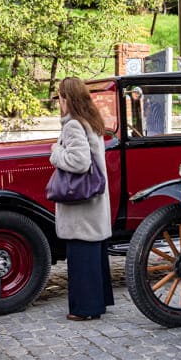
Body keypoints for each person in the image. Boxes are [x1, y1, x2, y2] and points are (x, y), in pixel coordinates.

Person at [51, 77, 114, 321]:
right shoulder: (90, 121)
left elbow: (79, 162)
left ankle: (84, 308)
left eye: (60, 97)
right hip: (94, 202)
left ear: (67, 98)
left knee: (81, 255)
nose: (58, 102)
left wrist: (55, 154)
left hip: (82, 204)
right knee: (93, 253)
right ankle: (97, 303)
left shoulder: (73, 125)